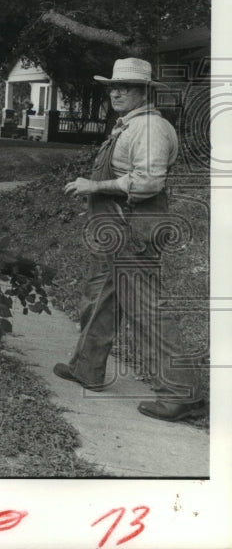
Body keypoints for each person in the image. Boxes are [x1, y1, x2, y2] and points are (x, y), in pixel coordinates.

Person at [55, 57, 203, 422]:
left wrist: (96, 185)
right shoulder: (130, 126)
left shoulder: (150, 128)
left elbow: (150, 181)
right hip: (116, 232)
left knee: (146, 311)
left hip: (133, 231)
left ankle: (182, 393)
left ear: (144, 92)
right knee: (101, 298)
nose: (116, 91)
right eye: (112, 86)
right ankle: (87, 367)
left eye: (126, 86)